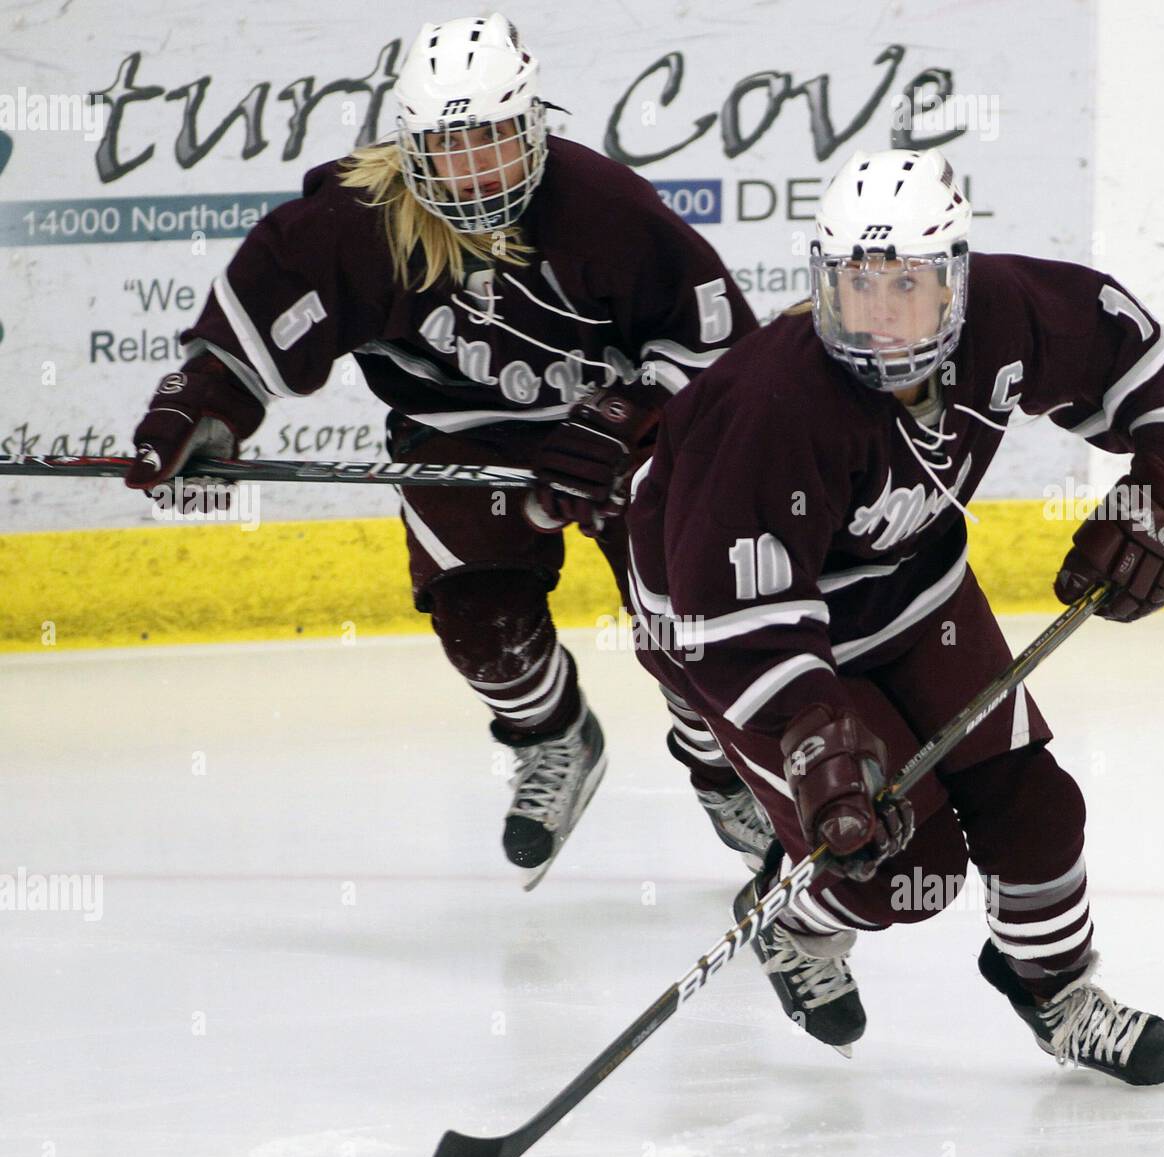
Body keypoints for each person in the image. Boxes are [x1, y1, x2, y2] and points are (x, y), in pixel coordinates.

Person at [626, 147, 1164, 1081]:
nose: (879, 314)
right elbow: (727, 615)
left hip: (913, 591)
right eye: (857, 285)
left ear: (954, 284)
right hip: (732, 629)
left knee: (1035, 808)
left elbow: (1133, 352)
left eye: (906, 286)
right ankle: (792, 922)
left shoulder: (1003, 317)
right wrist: (813, 742)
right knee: (895, 866)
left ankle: (1057, 991)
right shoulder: (771, 406)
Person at [124, 12, 770, 888]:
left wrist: (625, 419)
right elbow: (254, 329)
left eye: (496, 141)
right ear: (410, 145)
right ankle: (554, 738)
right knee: (482, 630)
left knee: (690, 627)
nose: (474, 170)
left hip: (617, 428)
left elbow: (721, 352)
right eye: (449, 146)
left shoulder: (606, 211)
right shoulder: (358, 221)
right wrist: (201, 404)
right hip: (454, 430)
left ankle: (724, 765)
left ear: (535, 128)